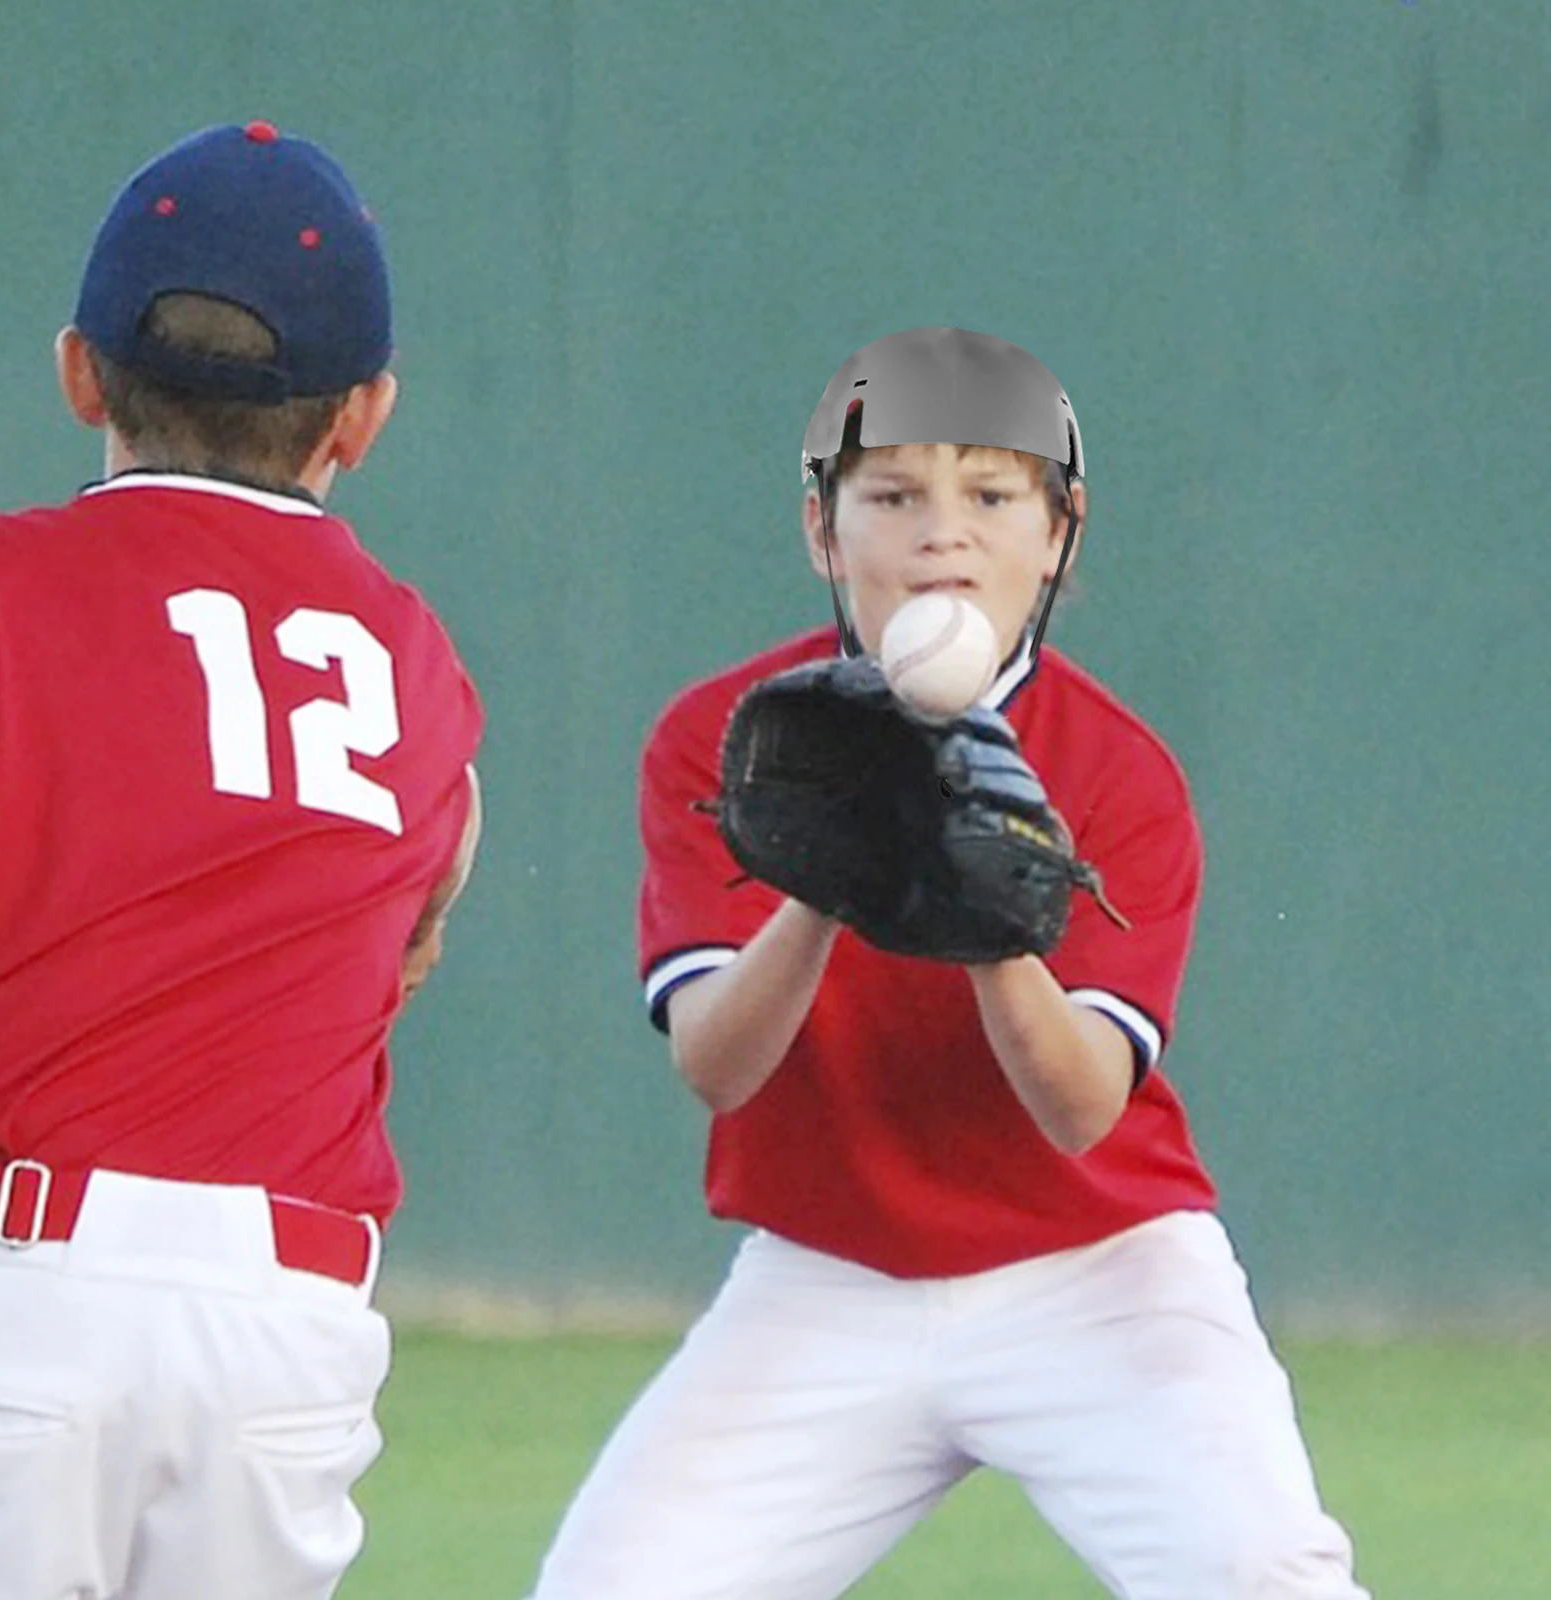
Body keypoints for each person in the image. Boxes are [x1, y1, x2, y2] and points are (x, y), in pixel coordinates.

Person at [528, 328, 1370, 1599]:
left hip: (1098, 1271)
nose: (942, 535)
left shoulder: (1115, 771)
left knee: (1262, 1573)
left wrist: (994, 932)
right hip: (827, 1278)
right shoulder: (735, 739)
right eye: (891, 495)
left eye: (990, 494)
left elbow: (1084, 1106)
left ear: (1058, 533)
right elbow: (715, 1065)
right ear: (822, 529)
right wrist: (823, 875)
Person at [0, 122, 483, 1600]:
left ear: (78, 372)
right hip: (281, 1327)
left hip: (12, 1286)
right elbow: (429, 893)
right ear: (361, 417)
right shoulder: (413, 657)